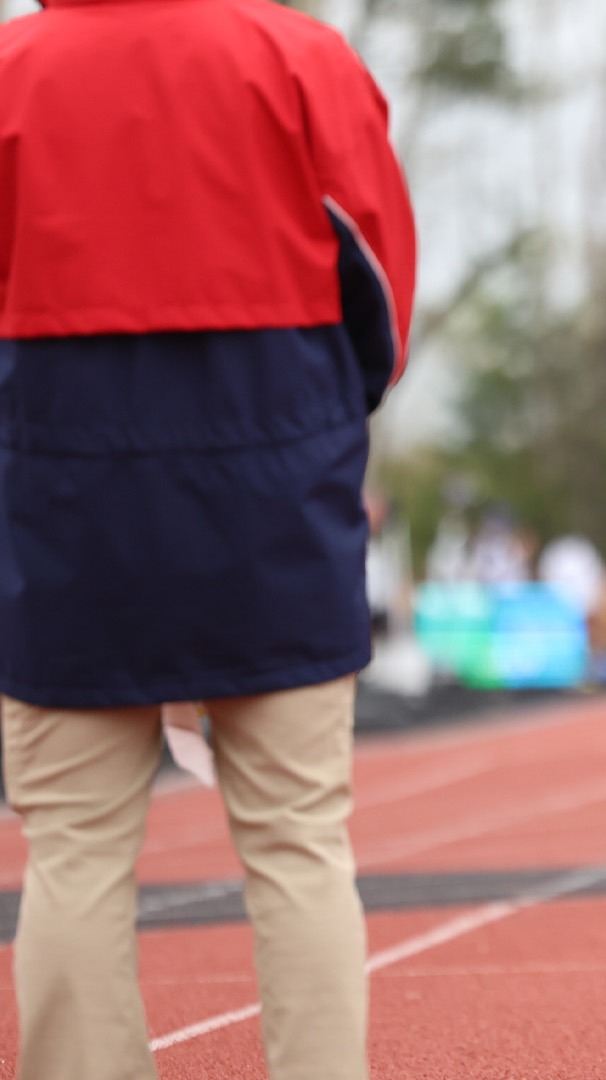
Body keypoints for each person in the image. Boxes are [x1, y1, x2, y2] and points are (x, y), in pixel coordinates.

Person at [0, 1, 415, 1077]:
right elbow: (378, 291)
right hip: (275, 500)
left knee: (73, 853)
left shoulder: (10, 70)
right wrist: (319, 425)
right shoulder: (301, 58)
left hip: (61, 512)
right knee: (298, 845)